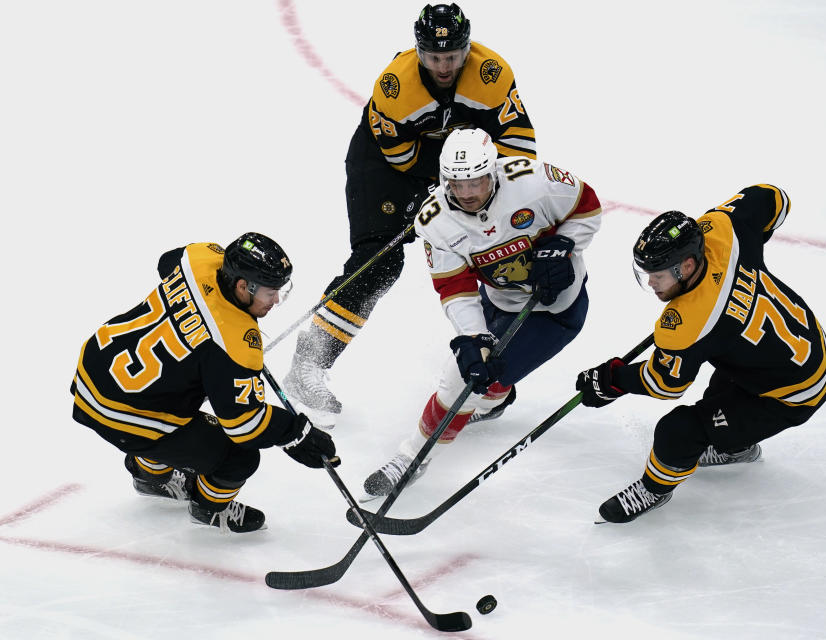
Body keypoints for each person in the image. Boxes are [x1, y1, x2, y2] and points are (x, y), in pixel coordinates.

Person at [282, 3, 536, 427]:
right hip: (386, 168)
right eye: (434, 57)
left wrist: (494, 192)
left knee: (498, 250)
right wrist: (437, 193)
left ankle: (491, 383)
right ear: (419, 50)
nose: (444, 65)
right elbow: (400, 158)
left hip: (461, 169)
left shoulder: (492, 74)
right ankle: (309, 362)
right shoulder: (396, 86)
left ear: (466, 48)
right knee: (379, 261)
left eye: (452, 55)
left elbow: (519, 144)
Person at [575, 185, 826, 523]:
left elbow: (665, 385)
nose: (652, 284)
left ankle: (654, 489)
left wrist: (612, 380)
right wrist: (751, 246)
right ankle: (737, 445)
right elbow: (774, 197)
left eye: (657, 275)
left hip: (791, 394)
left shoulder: (687, 324)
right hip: (804, 351)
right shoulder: (722, 230)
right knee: (723, 375)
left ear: (686, 266)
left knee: (678, 431)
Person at [361, 127, 601, 498]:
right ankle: (475, 413)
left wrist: (564, 246)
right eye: (457, 185)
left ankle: (419, 450)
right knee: (471, 369)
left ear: (494, 172)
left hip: (555, 310)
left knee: (474, 382)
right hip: (499, 298)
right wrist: (472, 338)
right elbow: (455, 287)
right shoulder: (435, 220)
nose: (468, 193)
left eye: (476, 182)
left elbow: (586, 206)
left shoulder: (534, 180)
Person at [70, 233, 339, 533]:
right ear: (241, 286)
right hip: (123, 412)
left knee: (185, 389)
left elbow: (166, 262)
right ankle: (209, 507)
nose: (276, 300)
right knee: (239, 458)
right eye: (269, 292)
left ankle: (150, 475)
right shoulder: (235, 344)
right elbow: (243, 425)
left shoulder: (200, 258)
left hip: (95, 369)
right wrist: (295, 433)